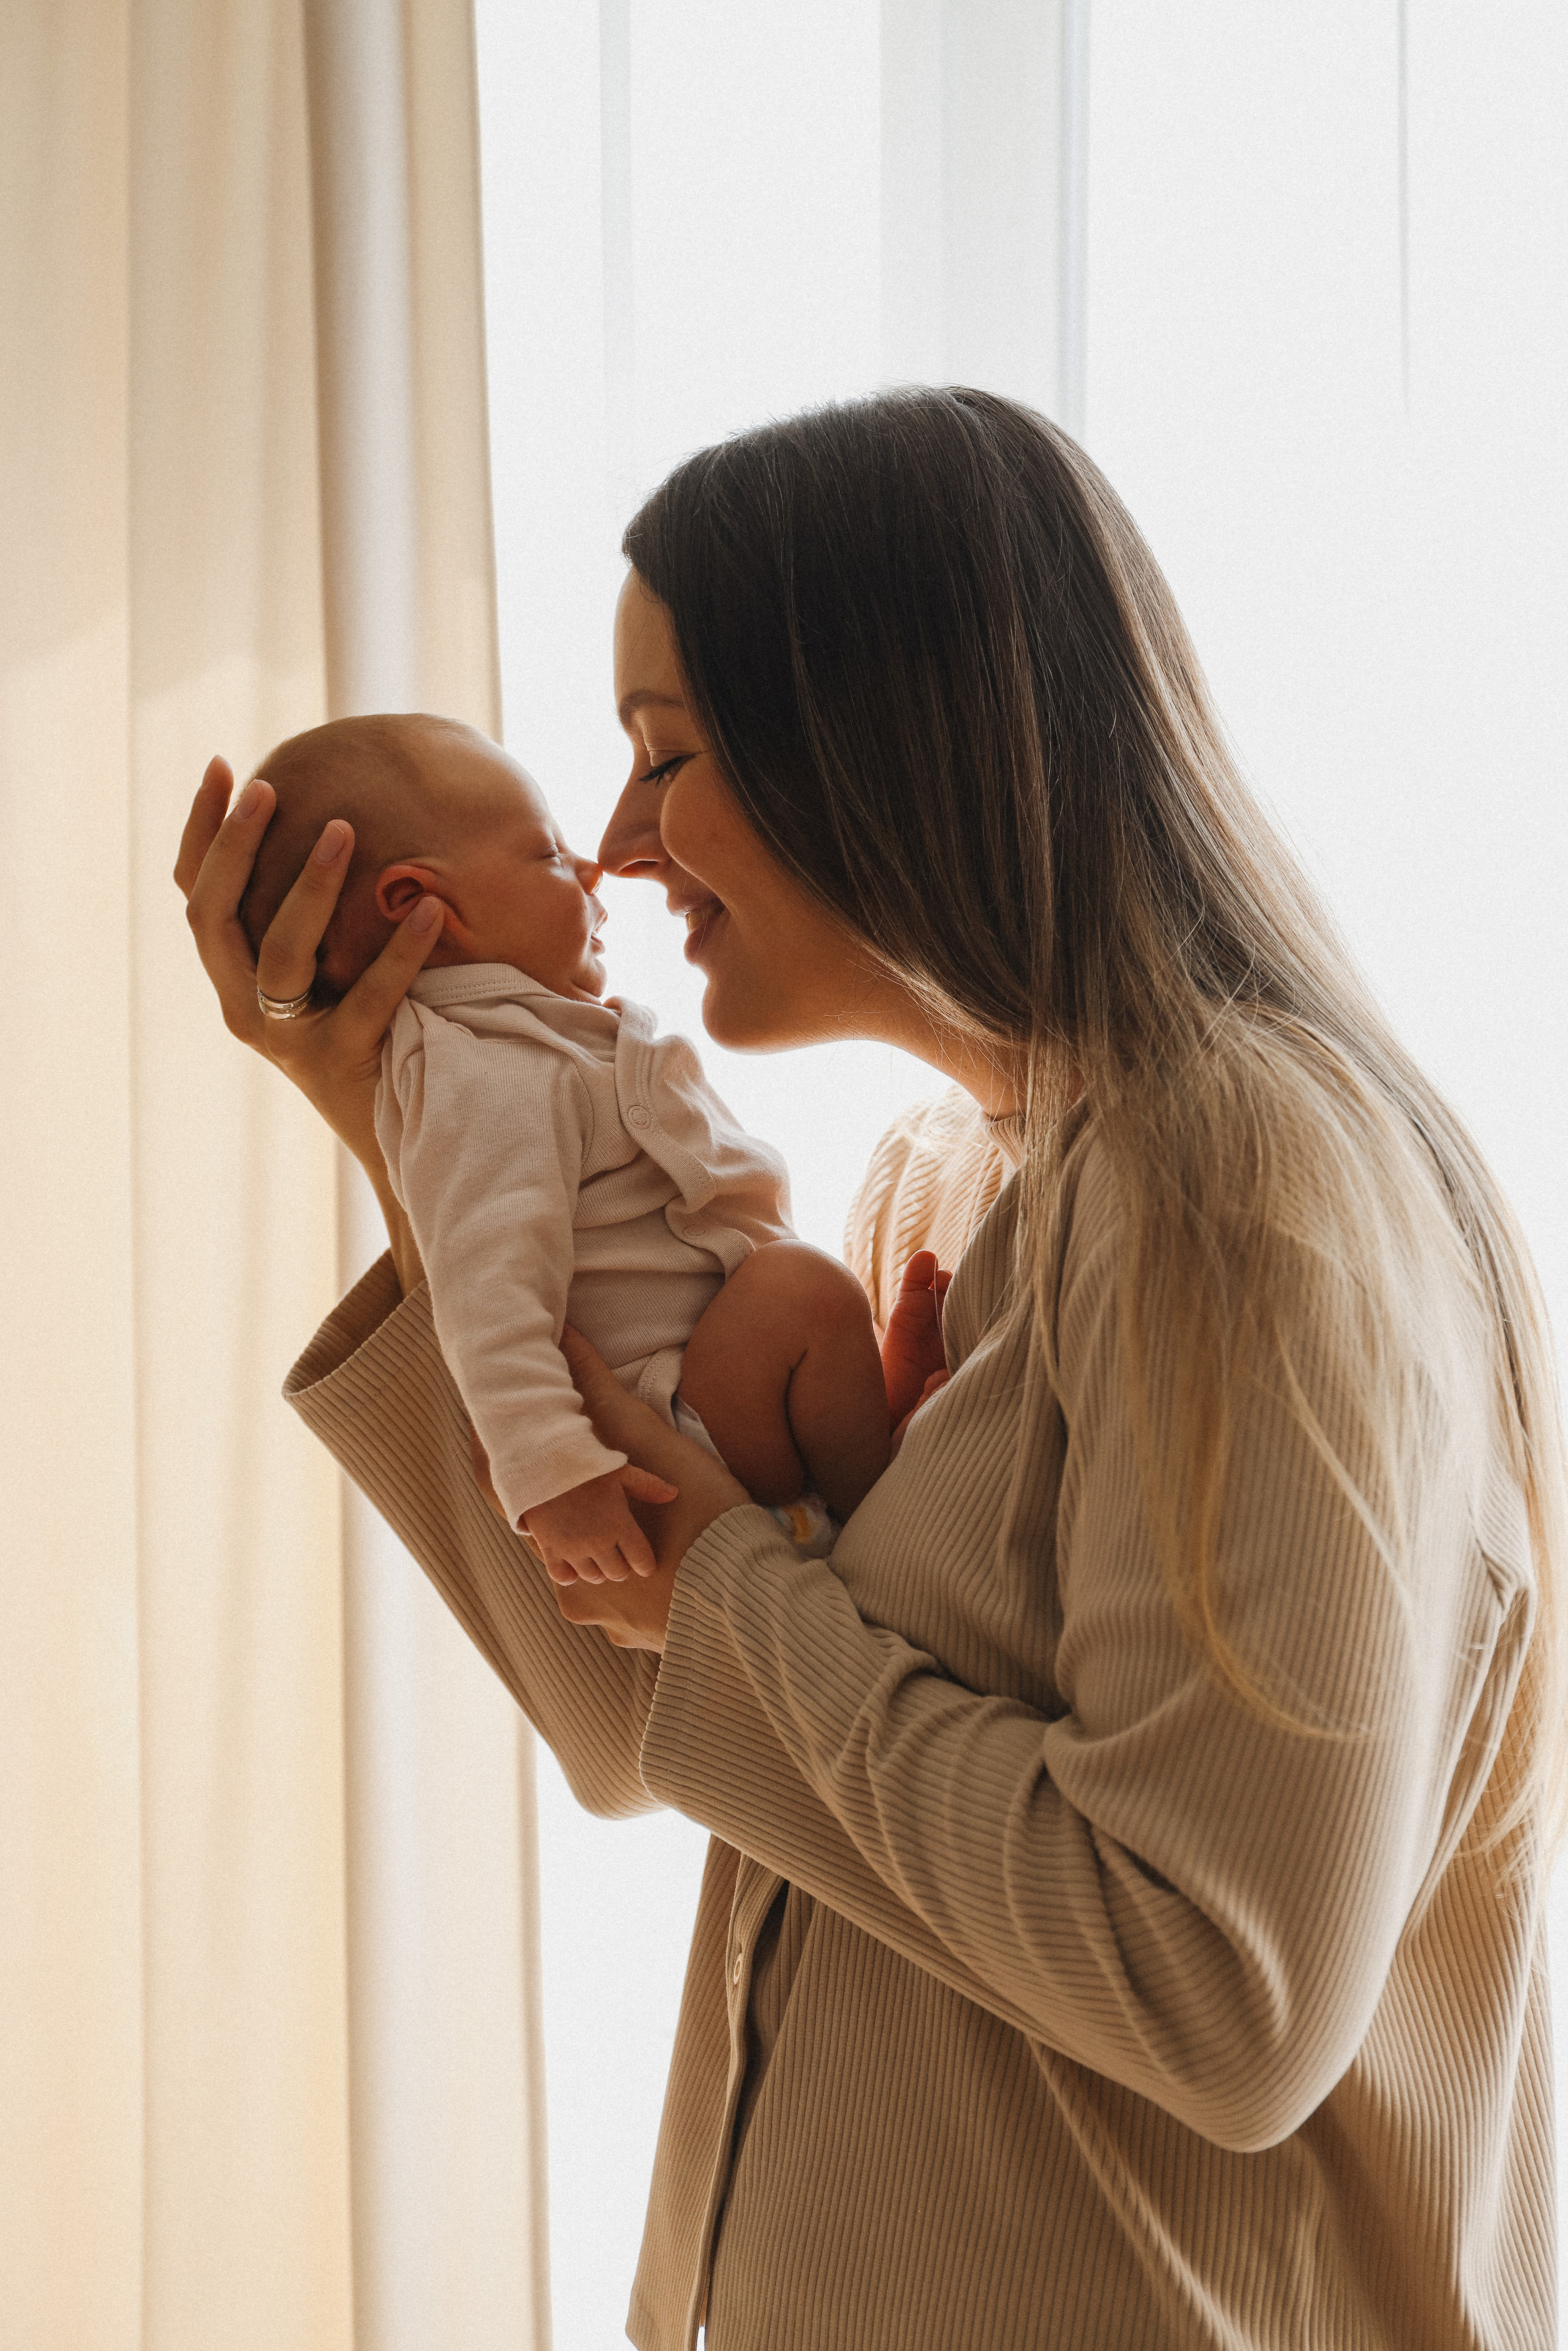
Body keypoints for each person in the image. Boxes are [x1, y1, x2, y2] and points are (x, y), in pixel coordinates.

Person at [177, 387, 1563, 2351]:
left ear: (882, 737)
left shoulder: (1247, 1196)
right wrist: (412, 1129)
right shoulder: (962, 1186)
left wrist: (733, 1589)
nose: (630, 840)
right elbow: (633, 1710)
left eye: (669, 752)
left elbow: (1221, 1988)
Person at [233, 710, 897, 1582]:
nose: (592, 867)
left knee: (808, 1299)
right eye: (548, 856)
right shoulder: (485, 1069)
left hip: (700, 1405)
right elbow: (486, 1285)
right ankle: (889, 1516)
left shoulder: (518, 1042)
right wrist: (549, 1471)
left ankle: (867, 1442)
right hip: (664, 1428)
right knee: (802, 1294)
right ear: (419, 907)